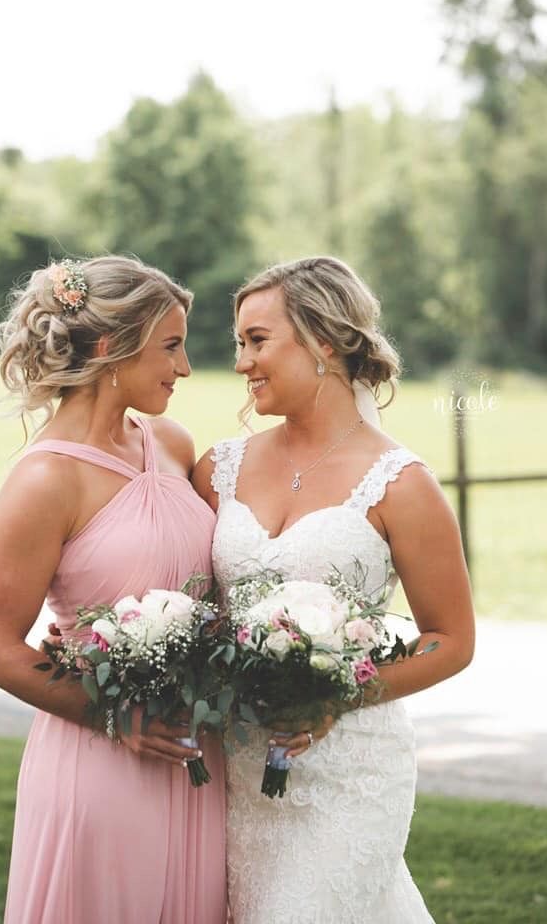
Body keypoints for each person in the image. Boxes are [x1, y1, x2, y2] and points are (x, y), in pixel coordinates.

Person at [192, 256, 475, 923]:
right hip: (232, 769)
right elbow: (193, 603)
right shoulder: (218, 469)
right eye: (239, 343)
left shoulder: (402, 485)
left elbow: (452, 640)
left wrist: (340, 693)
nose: (241, 362)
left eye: (257, 340)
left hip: (348, 771)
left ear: (324, 340)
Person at [0, 256, 227, 924]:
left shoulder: (171, 443)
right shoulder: (44, 481)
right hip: (103, 758)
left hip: (199, 757)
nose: (186, 367)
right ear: (115, 347)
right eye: (172, 346)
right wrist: (120, 718)